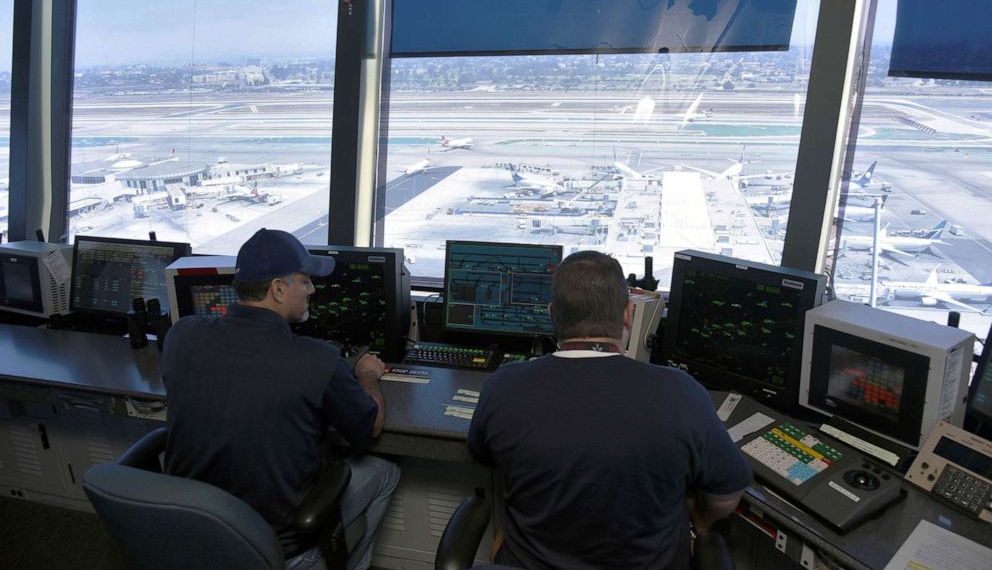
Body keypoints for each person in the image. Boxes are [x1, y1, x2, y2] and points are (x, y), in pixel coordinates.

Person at [467, 250, 751, 570]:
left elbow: (483, 455)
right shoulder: (682, 392)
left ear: (552, 315)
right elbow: (727, 495)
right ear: (628, 314)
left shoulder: (504, 385)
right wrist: (700, 519)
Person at [162, 228, 399, 570]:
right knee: (385, 468)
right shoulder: (316, 360)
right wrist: (366, 373)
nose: (312, 289)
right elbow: (370, 426)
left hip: (197, 538)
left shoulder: (181, 336)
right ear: (278, 289)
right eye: (305, 281)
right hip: (278, 550)